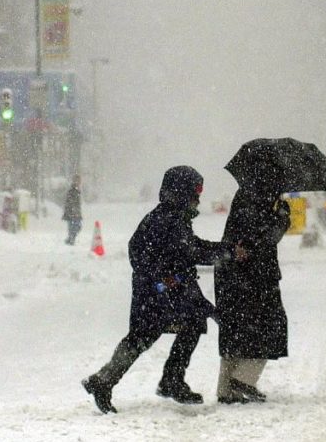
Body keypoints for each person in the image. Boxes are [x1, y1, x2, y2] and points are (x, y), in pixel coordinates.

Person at [82, 166, 241, 414]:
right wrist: (160, 277)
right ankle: (116, 381)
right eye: (195, 193)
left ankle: (164, 379)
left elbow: (186, 249)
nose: (198, 199)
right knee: (146, 336)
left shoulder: (169, 216)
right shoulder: (168, 219)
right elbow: (191, 251)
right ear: (181, 192)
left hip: (161, 291)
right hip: (159, 292)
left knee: (172, 328)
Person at [214, 186, 292, 404]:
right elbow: (265, 238)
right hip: (255, 275)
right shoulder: (263, 198)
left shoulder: (245, 193)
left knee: (235, 330)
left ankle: (226, 389)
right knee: (270, 326)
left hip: (230, 272)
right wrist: (283, 218)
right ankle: (243, 380)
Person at [62, 174, 83, 245]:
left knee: (75, 227)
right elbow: (70, 202)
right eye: (78, 180)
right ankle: (71, 239)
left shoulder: (76, 190)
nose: (79, 182)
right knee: (75, 227)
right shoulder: (73, 190)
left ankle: (70, 239)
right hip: (72, 213)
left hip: (74, 212)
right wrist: (73, 210)